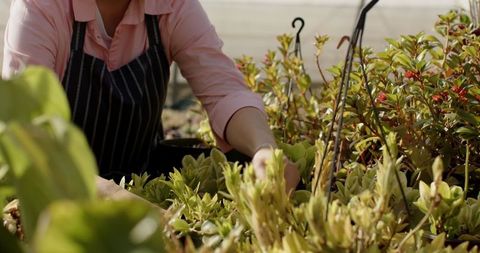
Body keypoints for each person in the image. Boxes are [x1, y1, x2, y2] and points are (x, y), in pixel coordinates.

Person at [2, 0, 300, 195]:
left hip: (143, 180)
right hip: (57, 196)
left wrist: (264, 148)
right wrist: (125, 206)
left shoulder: (171, 6)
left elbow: (224, 91)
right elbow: (29, 139)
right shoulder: (41, 7)